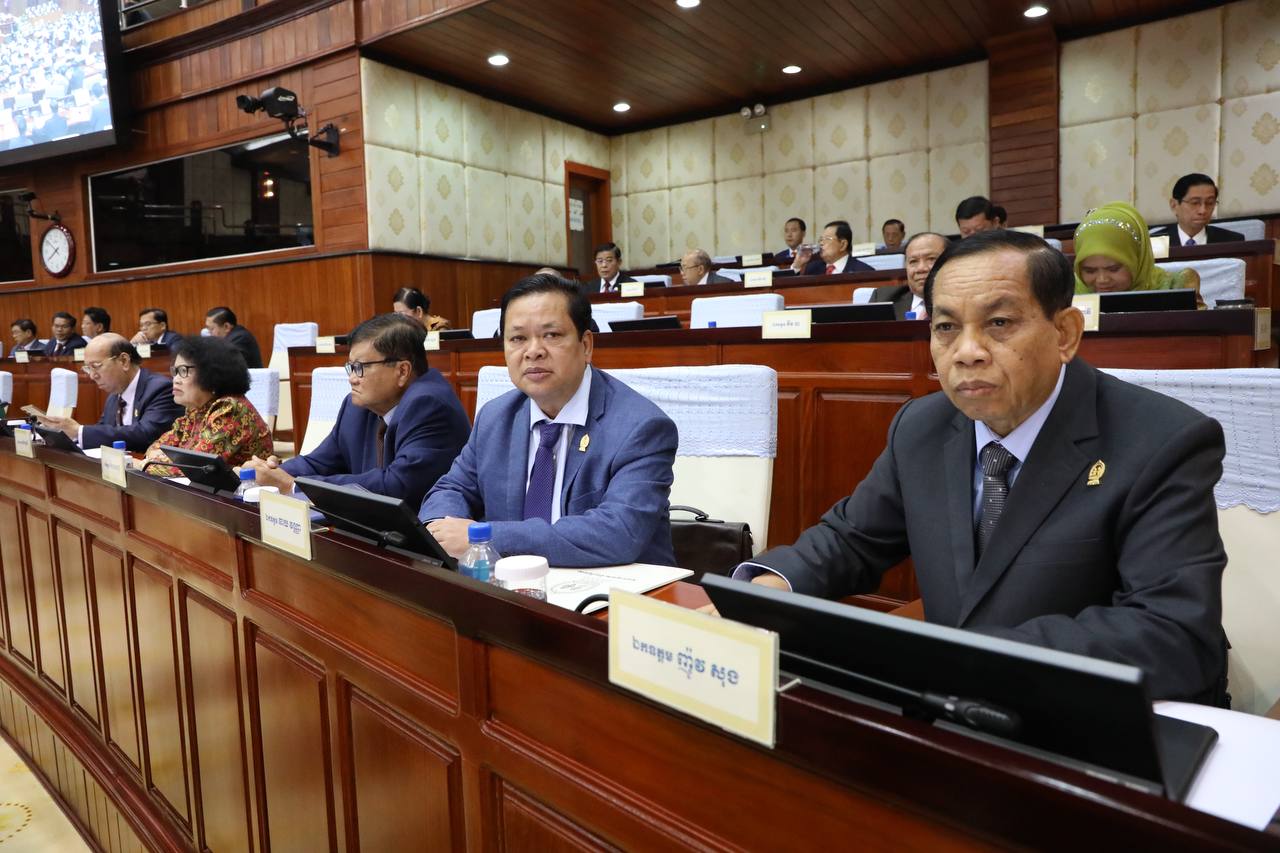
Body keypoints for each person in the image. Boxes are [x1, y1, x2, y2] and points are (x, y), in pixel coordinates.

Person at [727, 230, 1227, 704]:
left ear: (1065, 333)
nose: (967, 353)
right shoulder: (921, 426)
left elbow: (1173, 633)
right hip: (954, 710)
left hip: (1087, 717)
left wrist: (971, 659)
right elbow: (853, 539)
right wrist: (771, 588)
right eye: (946, 328)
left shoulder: (1161, 441)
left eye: (999, 323)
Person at [419, 274, 678, 567]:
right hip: (514, 587)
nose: (533, 351)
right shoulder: (495, 418)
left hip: (616, 588)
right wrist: (439, 528)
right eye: (518, 338)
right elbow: (450, 490)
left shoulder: (640, 427)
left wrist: (484, 536)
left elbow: (618, 533)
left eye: (551, 335)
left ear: (586, 345)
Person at [243, 314, 470, 508]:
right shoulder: (356, 407)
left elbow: (395, 487)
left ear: (402, 371)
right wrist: (268, 472)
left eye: (360, 368)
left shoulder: (429, 405)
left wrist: (291, 485)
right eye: (350, 367)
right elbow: (317, 463)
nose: (352, 378)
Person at [139, 336, 272, 473]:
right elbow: (156, 448)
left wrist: (146, 464)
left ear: (211, 374)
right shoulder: (196, 409)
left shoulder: (230, 409)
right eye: (175, 371)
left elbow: (195, 467)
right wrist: (154, 459)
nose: (175, 380)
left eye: (183, 371)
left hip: (248, 486)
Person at [35, 333, 182, 451]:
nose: (92, 376)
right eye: (88, 368)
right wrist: (68, 435)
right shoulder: (114, 395)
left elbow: (146, 435)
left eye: (96, 366)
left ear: (124, 361)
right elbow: (104, 431)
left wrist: (79, 431)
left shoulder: (160, 389)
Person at [1073, 202, 1204, 307]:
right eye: (1089, 271)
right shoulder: (1069, 292)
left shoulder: (1175, 286)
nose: (1102, 280)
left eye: (1113, 269)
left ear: (1137, 259)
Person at [870, 232, 950, 319]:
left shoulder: (961, 303)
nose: (921, 268)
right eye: (913, 261)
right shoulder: (882, 299)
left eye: (931, 259)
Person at [1148, 174, 1243, 247]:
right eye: (1195, 203)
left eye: (1210, 203)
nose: (1203, 211)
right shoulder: (1156, 243)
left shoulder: (1231, 241)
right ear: (1174, 205)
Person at [796, 221, 874, 275]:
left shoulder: (863, 271)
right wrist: (797, 265)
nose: (821, 243)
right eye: (821, 239)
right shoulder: (812, 269)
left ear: (843, 245)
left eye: (827, 239)